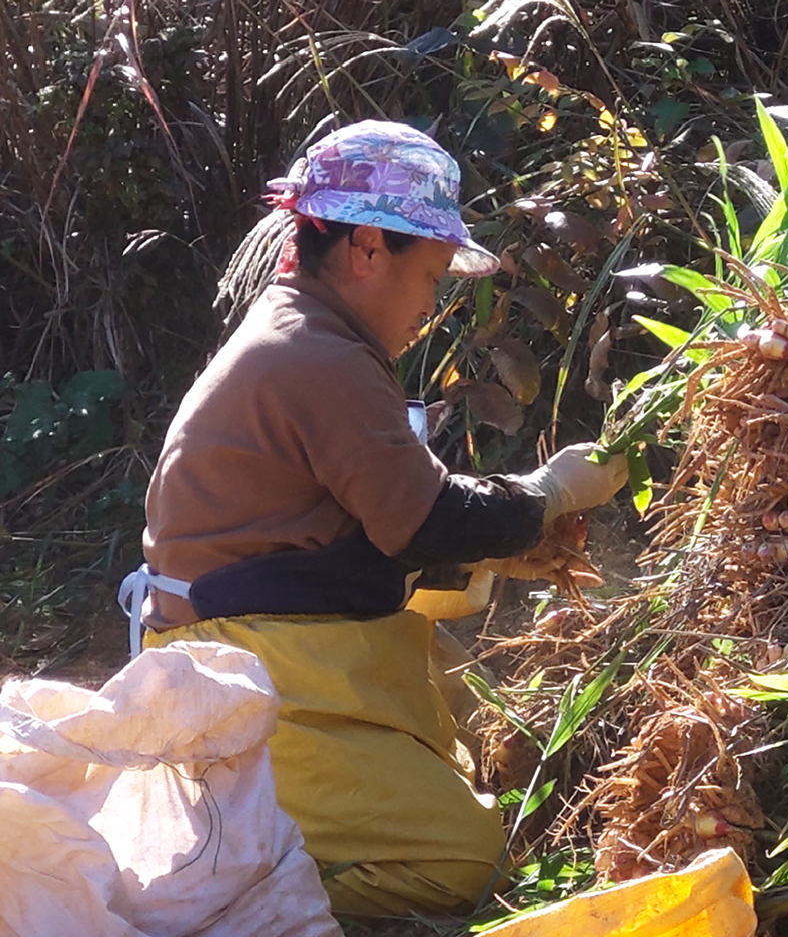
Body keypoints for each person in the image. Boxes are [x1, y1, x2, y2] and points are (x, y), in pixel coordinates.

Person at [124, 120, 628, 917]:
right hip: (241, 666)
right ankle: (241, 866)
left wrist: (507, 548)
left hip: (280, 635)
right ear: (365, 248)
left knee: (491, 747)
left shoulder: (307, 335)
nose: (431, 306)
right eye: (429, 277)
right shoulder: (318, 356)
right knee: (463, 859)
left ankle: (269, 823)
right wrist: (550, 494)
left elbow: (358, 517)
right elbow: (423, 522)